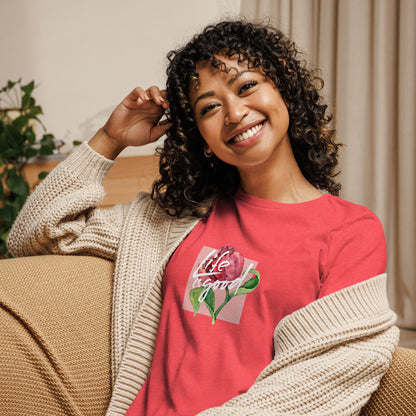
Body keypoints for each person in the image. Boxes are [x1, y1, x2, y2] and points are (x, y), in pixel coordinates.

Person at [7, 20, 398, 415]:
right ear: (202, 138)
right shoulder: (177, 220)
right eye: (210, 107)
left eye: (246, 87)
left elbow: (325, 375)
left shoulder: (350, 231)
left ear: (284, 89)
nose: (234, 112)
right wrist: (110, 139)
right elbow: (36, 235)